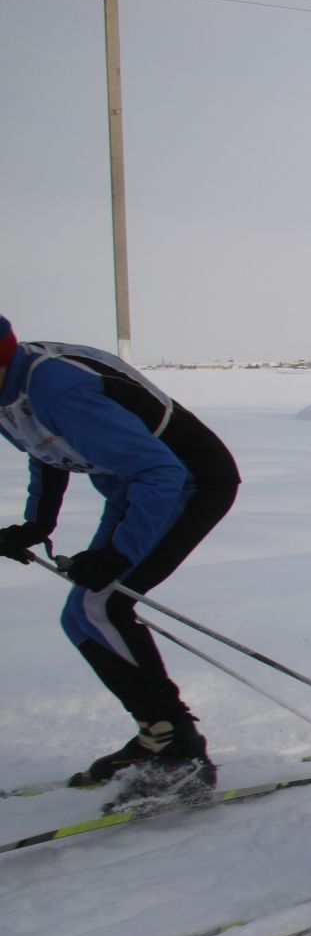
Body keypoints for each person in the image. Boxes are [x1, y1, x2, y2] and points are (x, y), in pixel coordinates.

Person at [0, 314, 241, 795]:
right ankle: (160, 733)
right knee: (83, 615)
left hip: (189, 480)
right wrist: (37, 524)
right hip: (137, 486)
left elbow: (161, 472)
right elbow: (43, 446)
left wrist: (115, 556)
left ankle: (181, 751)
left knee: (100, 604)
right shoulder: (13, 387)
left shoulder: (55, 387)